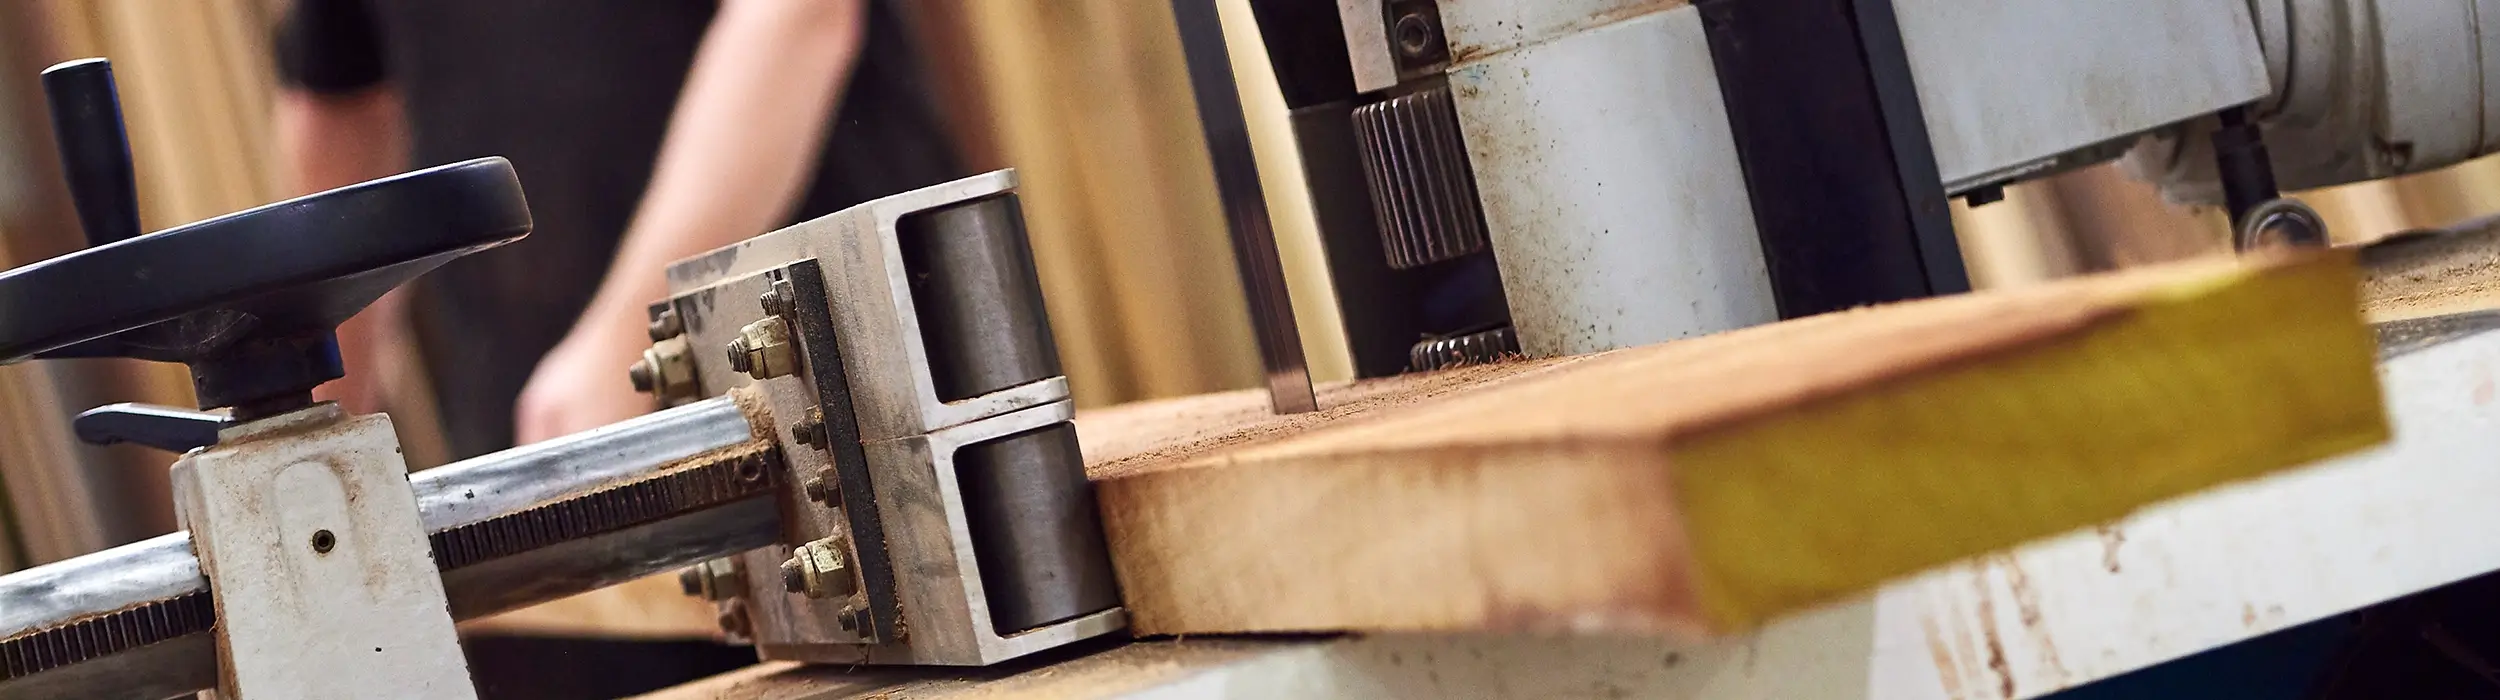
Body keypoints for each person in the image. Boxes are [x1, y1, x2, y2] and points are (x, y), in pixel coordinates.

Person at [275, 0, 962, 460]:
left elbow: (798, 15)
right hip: (537, 422)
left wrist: (631, 340)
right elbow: (341, 104)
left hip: (839, 374)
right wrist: (314, 449)